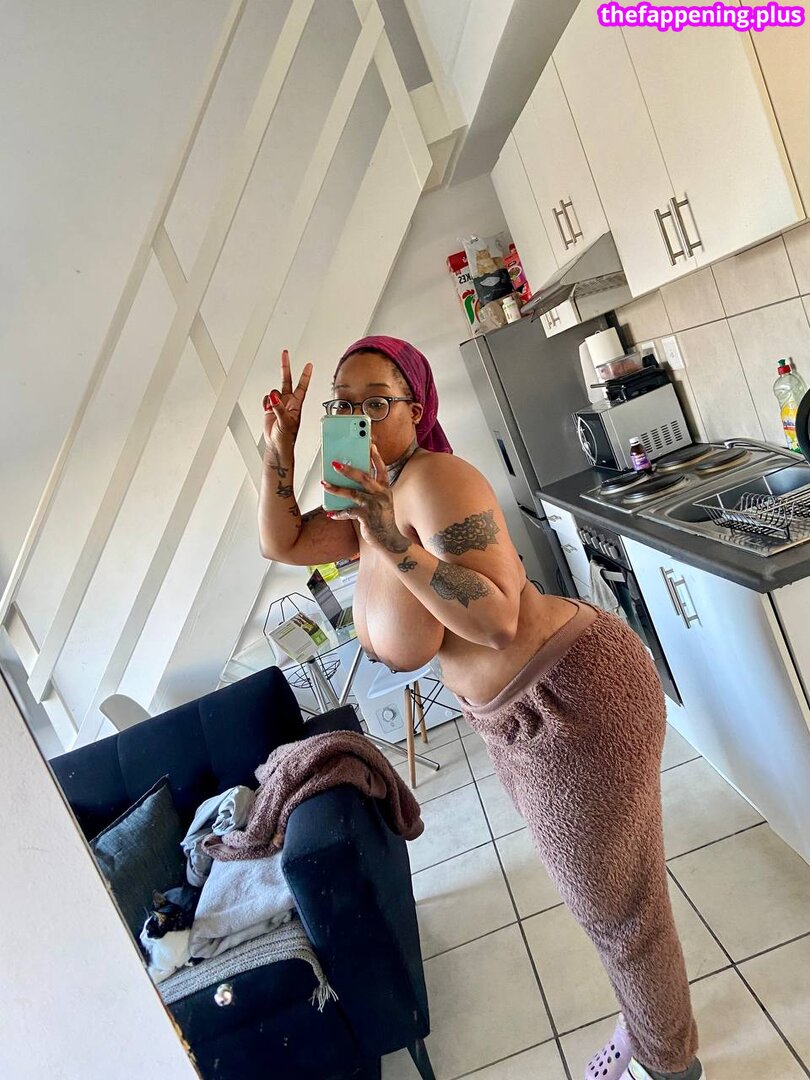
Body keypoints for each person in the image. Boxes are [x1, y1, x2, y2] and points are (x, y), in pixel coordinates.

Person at [258, 335, 703, 1080]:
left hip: (573, 696)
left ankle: (669, 1065)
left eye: (377, 402)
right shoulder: (371, 504)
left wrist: (388, 537)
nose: (356, 417)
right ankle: (650, 1021)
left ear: (418, 409)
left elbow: (496, 619)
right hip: (517, 716)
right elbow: (284, 540)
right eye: (342, 405)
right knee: (612, 894)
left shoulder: (436, 482)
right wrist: (282, 442)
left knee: (617, 909)